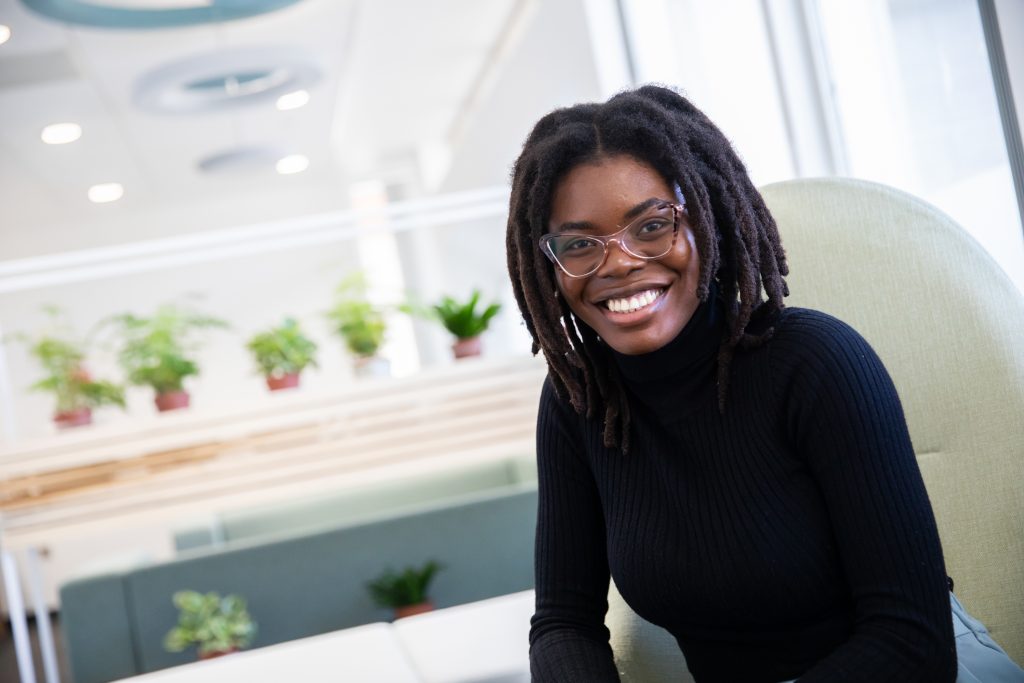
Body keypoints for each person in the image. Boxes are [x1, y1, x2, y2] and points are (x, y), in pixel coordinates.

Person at [504, 85, 960, 682]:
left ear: (707, 218)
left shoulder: (818, 363)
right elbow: (563, 622)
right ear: (550, 264)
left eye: (652, 225)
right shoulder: (580, 398)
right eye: (581, 244)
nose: (617, 264)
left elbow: (913, 643)